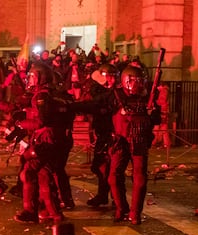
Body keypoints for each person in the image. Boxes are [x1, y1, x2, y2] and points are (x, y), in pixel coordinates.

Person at [13, 62, 67, 223]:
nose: (30, 79)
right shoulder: (53, 94)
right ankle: (53, 213)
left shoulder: (41, 96)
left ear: (40, 78)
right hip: (54, 139)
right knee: (44, 175)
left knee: (28, 173)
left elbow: (41, 121)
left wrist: (21, 124)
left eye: (32, 76)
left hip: (44, 140)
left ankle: (30, 210)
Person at [108, 65, 157, 225]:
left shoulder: (148, 97)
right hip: (121, 140)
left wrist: (151, 112)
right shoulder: (116, 95)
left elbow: (156, 120)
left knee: (139, 178)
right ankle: (121, 208)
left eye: (139, 81)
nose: (136, 84)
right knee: (114, 177)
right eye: (133, 81)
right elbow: (103, 113)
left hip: (139, 141)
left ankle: (135, 213)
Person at [71, 63, 117, 207]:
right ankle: (105, 196)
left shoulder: (114, 94)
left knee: (110, 169)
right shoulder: (104, 91)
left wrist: (72, 106)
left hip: (112, 135)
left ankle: (116, 199)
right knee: (101, 167)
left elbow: (94, 104)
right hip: (104, 132)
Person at [152, 82, 170, 148]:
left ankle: (156, 142)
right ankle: (166, 143)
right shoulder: (165, 91)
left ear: (161, 86)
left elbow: (162, 101)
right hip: (164, 111)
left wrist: (155, 102)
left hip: (162, 111)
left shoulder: (164, 91)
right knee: (163, 128)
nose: (157, 88)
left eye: (158, 87)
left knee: (161, 127)